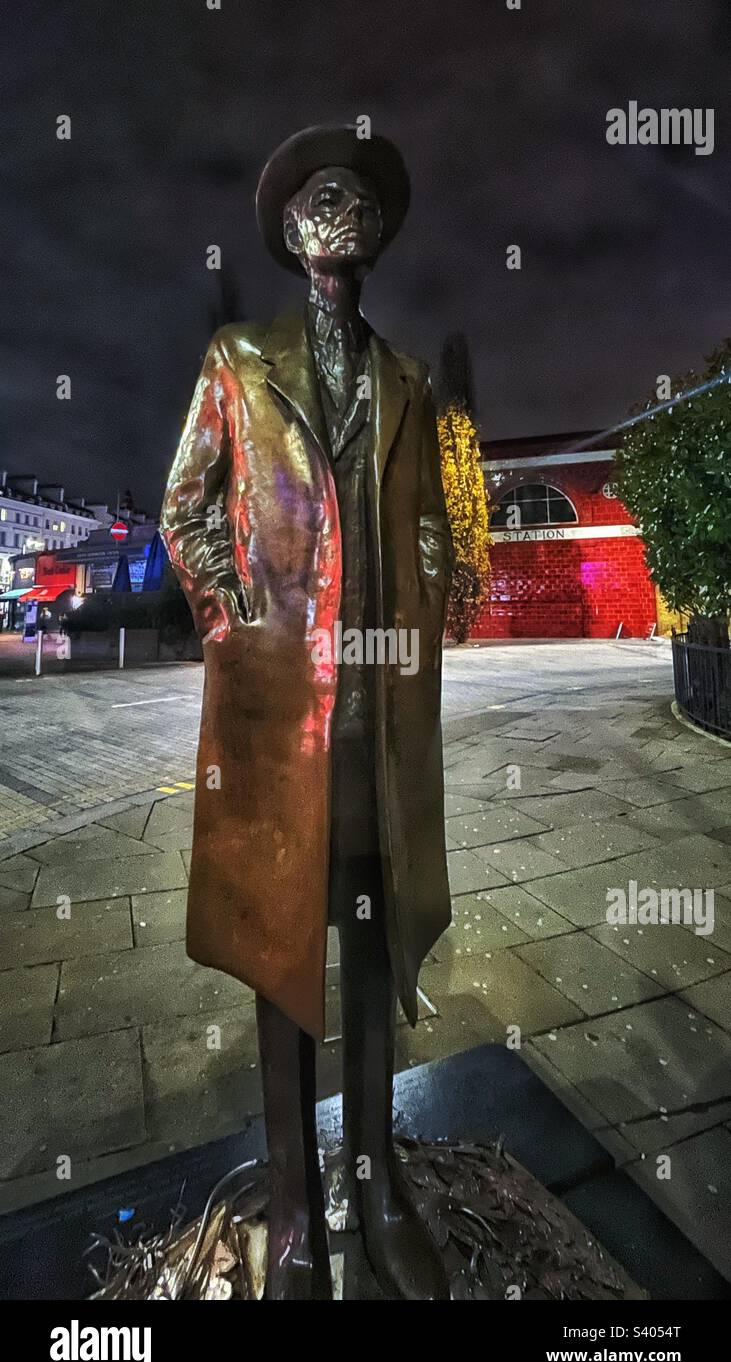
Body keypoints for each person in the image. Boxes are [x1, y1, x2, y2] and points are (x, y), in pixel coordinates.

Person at [161, 126, 454, 1299]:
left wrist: (427, 586)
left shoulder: (408, 380)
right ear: (289, 235)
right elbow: (188, 507)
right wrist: (236, 618)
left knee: (372, 950)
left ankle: (375, 1177)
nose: (336, 205)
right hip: (280, 725)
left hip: (377, 729)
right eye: (314, 195)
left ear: (374, 236)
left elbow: (429, 519)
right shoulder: (237, 360)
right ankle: (293, 1204)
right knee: (282, 963)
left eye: (357, 193)